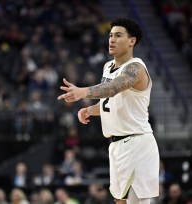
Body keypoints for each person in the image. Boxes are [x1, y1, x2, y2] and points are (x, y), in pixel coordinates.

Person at [58, 17, 159, 204]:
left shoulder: (136, 68)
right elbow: (111, 102)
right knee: (119, 201)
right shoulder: (108, 67)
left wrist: (83, 92)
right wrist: (90, 110)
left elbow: (113, 88)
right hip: (116, 145)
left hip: (137, 143)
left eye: (118, 35)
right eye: (111, 35)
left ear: (132, 41)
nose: (112, 39)